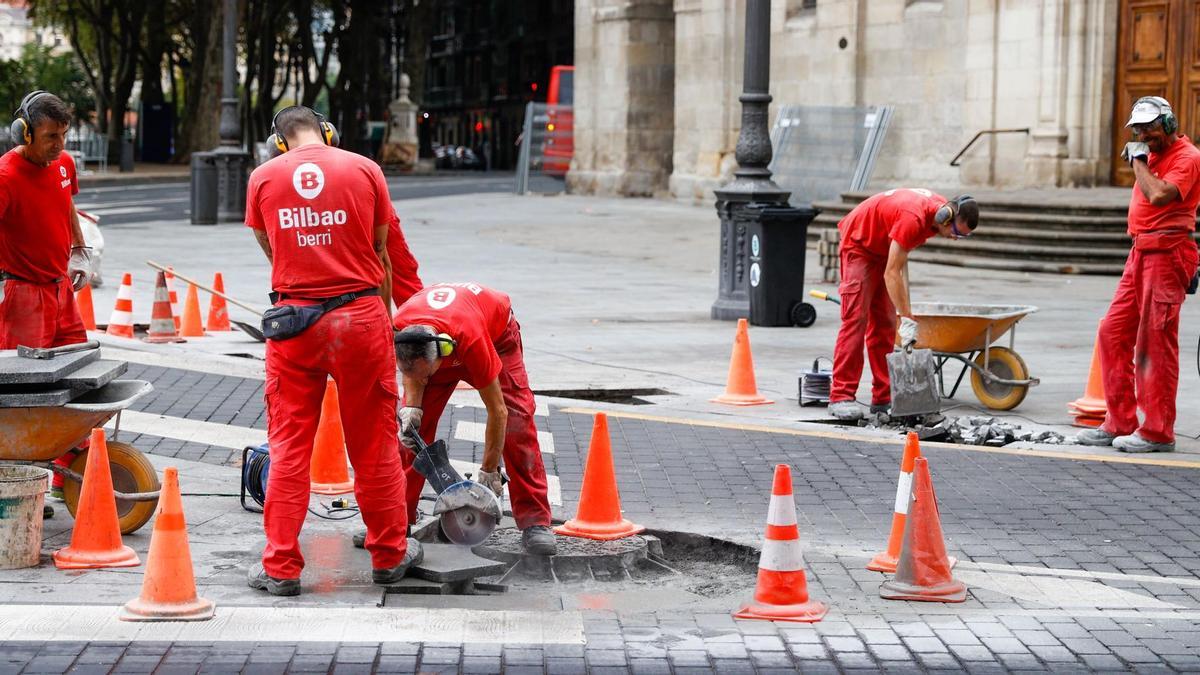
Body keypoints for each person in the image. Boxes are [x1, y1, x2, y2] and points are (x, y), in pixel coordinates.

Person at [244, 105, 419, 595]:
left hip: (295, 325)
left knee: (290, 447)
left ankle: (280, 567)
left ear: (279, 142)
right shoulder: (365, 168)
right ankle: (389, 556)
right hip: (360, 320)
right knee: (375, 445)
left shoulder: (261, 178)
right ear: (327, 130)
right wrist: (385, 320)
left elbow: (273, 249)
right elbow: (381, 250)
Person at [392, 282, 557, 556]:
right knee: (409, 436)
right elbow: (413, 371)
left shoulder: (470, 337)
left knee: (517, 425)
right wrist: (412, 408)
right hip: (435, 347)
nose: (422, 381)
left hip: (495, 340)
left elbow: (498, 411)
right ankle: (395, 524)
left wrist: (489, 472)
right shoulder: (402, 330)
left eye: (425, 375)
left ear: (441, 355)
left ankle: (536, 521)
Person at [1077, 96, 1200, 453]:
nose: (1144, 135)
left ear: (1170, 125)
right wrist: (1144, 159)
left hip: (1168, 254)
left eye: (1150, 127)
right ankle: (1120, 421)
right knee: (1112, 331)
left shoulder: (1187, 158)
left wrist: (1139, 161)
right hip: (1141, 253)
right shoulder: (1152, 156)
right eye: (1138, 129)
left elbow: (1159, 195)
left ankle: (1158, 432)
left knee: (1155, 344)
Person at [0, 91, 92, 498]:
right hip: (22, 294)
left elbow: (66, 203)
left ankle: (63, 476)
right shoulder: (5, 176)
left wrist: (79, 249)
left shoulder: (63, 164)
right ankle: (20, 483)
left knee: (75, 385)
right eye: (51, 136)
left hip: (61, 292)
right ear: (24, 132)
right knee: (24, 395)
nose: (60, 146)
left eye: (64, 135)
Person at [828, 188, 980, 421]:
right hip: (859, 244)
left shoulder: (937, 214)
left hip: (882, 250)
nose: (955, 238)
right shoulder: (914, 218)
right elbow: (892, 272)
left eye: (963, 236)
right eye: (957, 231)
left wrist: (903, 314)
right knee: (856, 320)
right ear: (946, 218)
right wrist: (907, 316)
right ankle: (841, 396)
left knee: (886, 324)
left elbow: (898, 264)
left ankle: (882, 398)